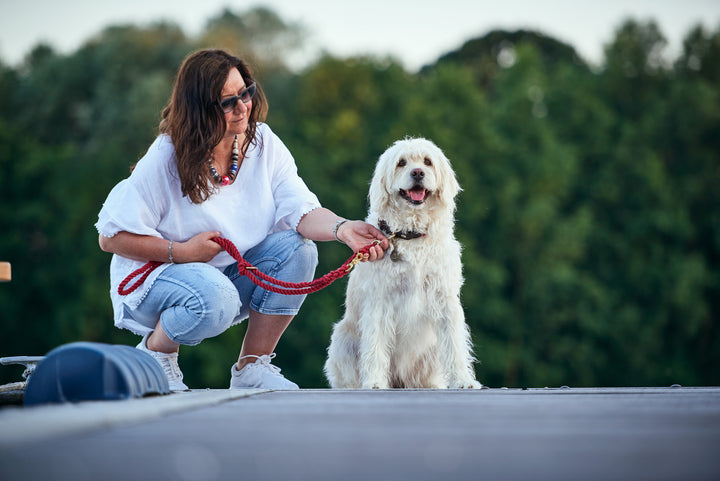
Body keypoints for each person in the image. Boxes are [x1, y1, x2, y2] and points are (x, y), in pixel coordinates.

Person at [96, 49, 388, 391]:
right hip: (157, 282)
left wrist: (343, 229)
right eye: (227, 101)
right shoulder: (165, 155)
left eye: (245, 92)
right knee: (215, 296)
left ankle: (251, 368)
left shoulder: (262, 142)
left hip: (223, 282)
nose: (243, 106)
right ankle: (156, 354)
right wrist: (183, 252)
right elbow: (110, 237)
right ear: (199, 108)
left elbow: (300, 209)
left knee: (299, 250)